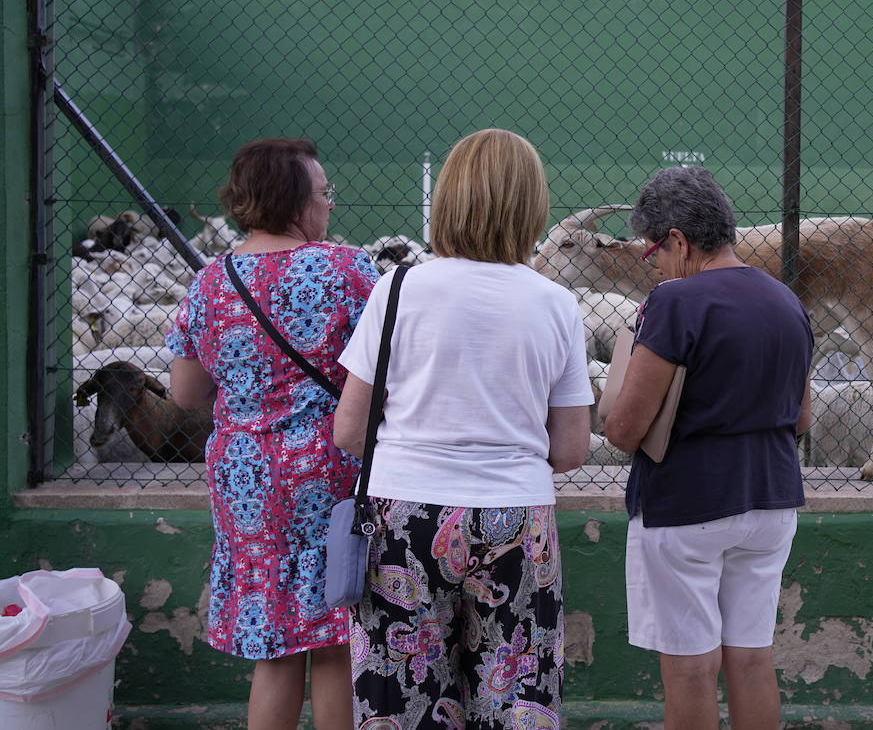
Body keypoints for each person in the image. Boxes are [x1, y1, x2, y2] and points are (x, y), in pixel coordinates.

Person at [334, 128, 593, 729]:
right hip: (517, 521)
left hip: (403, 519)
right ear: (532, 205)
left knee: (401, 701)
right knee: (516, 698)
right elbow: (573, 447)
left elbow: (350, 430)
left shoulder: (396, 289)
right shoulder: (556, 305)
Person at [168, 138, 379, 730]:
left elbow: (185, 394)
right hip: (330, 466)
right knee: (335, 639)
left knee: (275, 645)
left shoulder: (210, 282)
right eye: (323, 193)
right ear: (293, 200)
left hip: (245, 477)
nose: (329, 205)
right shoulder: (348, 269)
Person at [604, 166, 813, 730]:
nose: (659, 265)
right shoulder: (786, 300)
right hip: (770, 498)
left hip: (686, 505)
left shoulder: (676, 302)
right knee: (750, 657)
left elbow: (625, 431)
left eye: (655, 252)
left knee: (692, 667)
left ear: (677, 239)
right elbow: (801, 417)